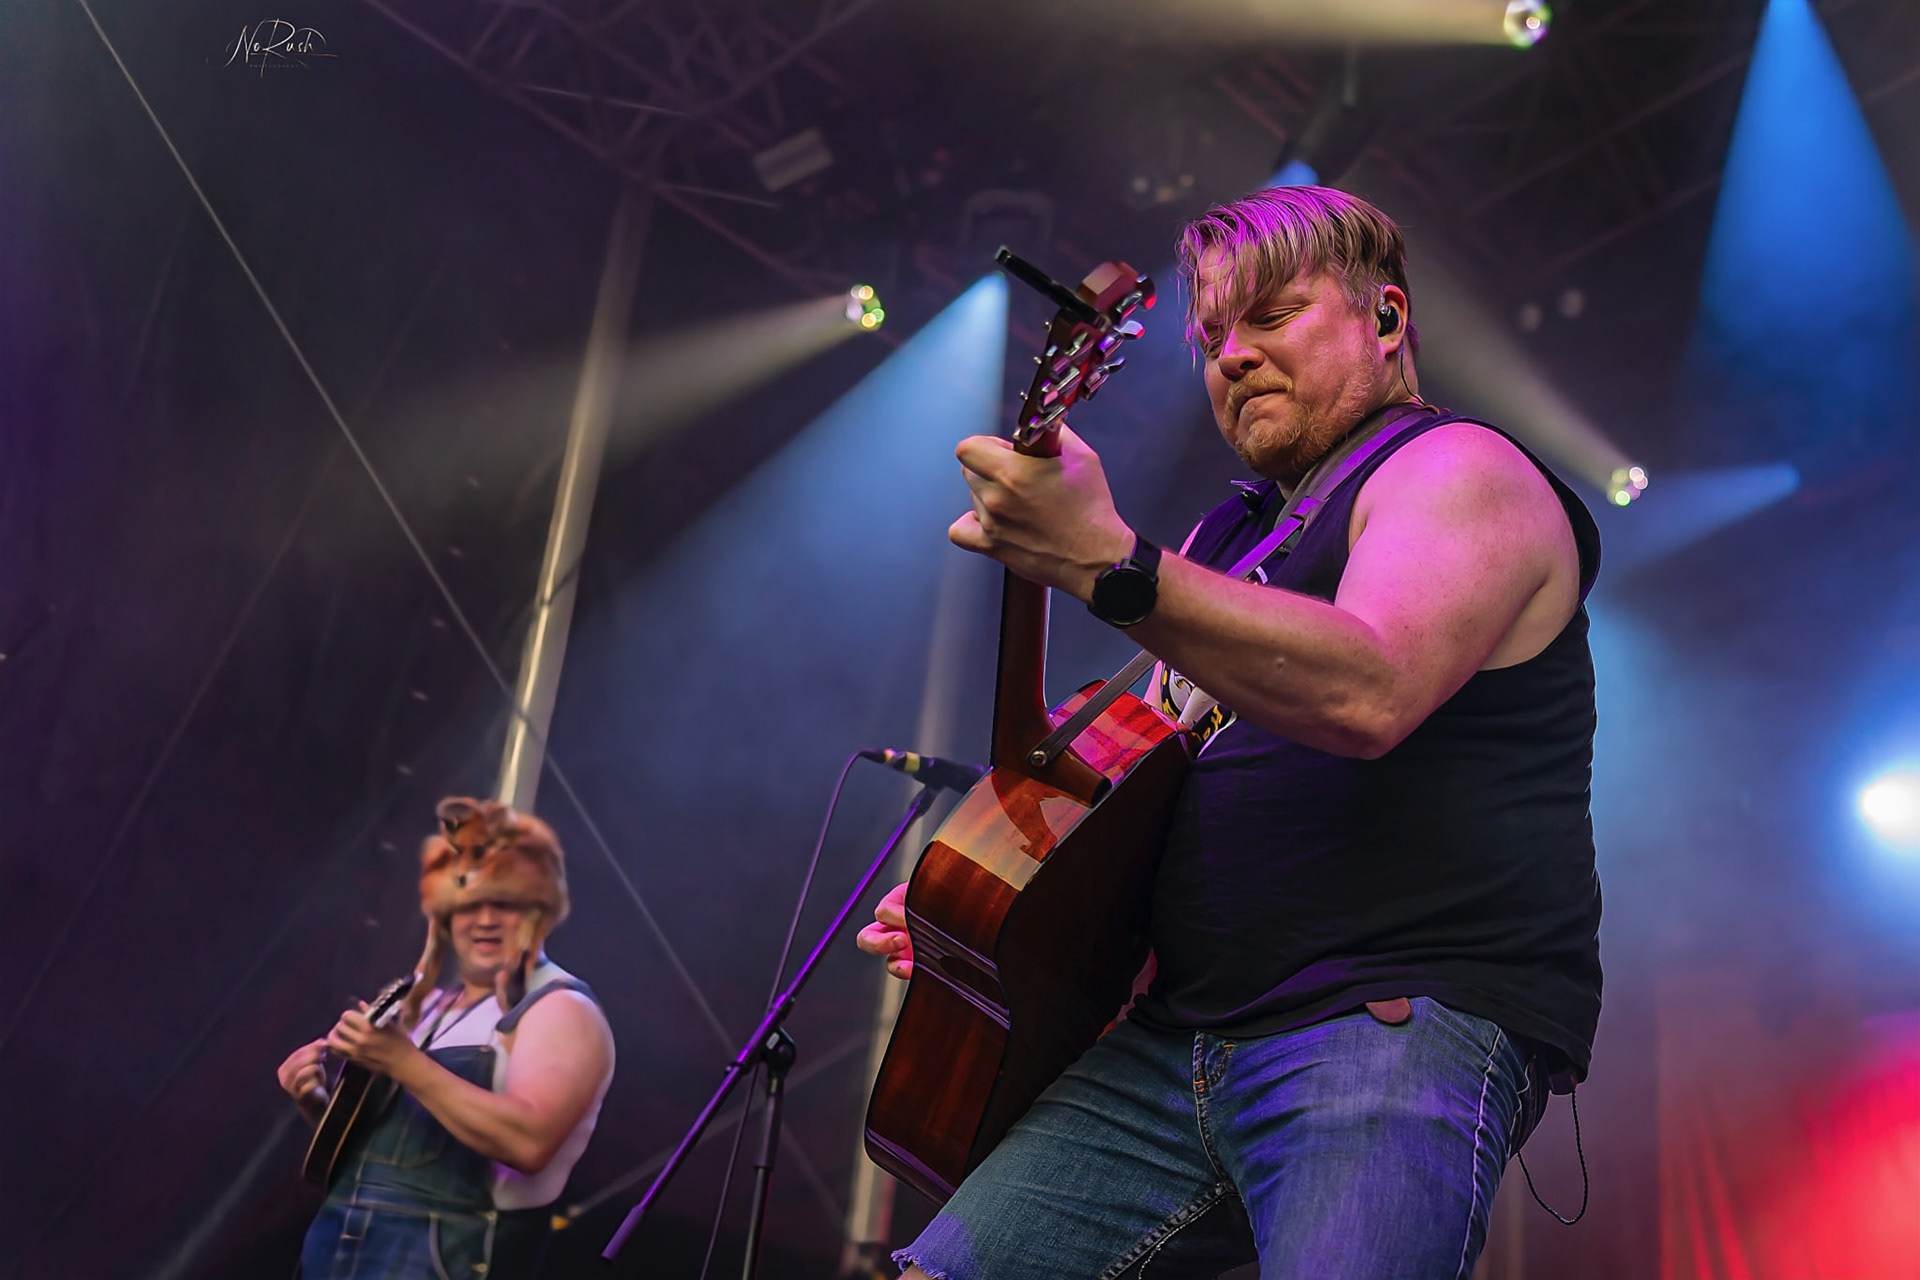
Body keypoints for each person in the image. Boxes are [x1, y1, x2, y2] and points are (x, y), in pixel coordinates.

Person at [857, 185, 1602, 1279]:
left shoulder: (1457, 469)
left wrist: (1111, 563)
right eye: (1211, 336)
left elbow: (1371, 687)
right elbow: (1128, 784)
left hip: (1382, 1022)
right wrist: (991, 913)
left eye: (1273, 315)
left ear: (1386, 319)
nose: (1233, 356)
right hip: (1172, 1040)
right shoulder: (1230, 533)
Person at [278, 797, 615, 1280]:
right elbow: (384, 1168)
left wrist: (405, 1063)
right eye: (469, 903)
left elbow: (530, 1142)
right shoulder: (424, 1006)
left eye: (505, 902)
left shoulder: (560, 1009)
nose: (484, 920)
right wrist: (319, 1104)